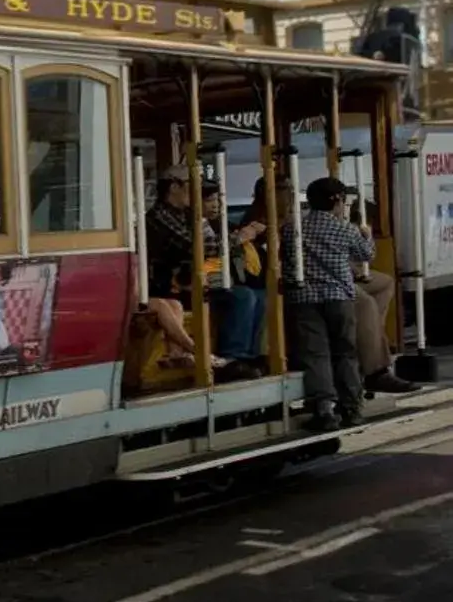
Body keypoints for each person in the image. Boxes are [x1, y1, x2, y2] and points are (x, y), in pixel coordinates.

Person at [145, 165, 264, 376]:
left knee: (260, 296)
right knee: (242, 296)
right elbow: (202, 248)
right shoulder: (160, 217)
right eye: (192, 185)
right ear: (174, 187)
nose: (196, 191)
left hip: (196, 280)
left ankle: (247, 355)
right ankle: (232, 357)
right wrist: (240, 237)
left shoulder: (187, 214)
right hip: (174, 285)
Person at [282, 175, 375, 431]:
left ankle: (324, 409)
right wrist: (367, 236)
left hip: (304, 298)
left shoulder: (293, 228)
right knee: (345, 352)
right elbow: (366, 254)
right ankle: (351, 407)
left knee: (315, 354)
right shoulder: (345, 229)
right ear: (338, 201)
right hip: (339, 297)